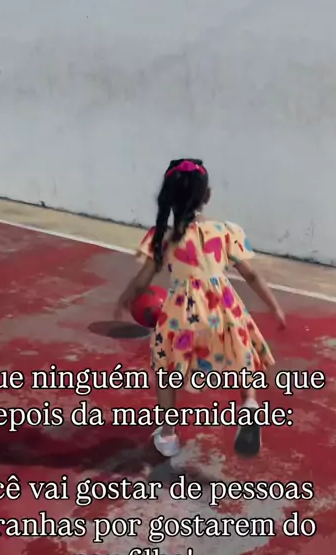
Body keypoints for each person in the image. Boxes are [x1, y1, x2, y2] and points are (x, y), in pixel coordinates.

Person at [115, 158, 286, 458]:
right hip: (224, 308)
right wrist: (274, 306)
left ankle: (168, 435)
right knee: (242, 354)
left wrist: (124, 298)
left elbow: (143, 280)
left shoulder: (164, 238)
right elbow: (251, 275)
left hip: (183, 315)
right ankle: (249, 403)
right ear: (207, 196)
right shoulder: (225, 231)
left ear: (168, 197)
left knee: (166, 368)